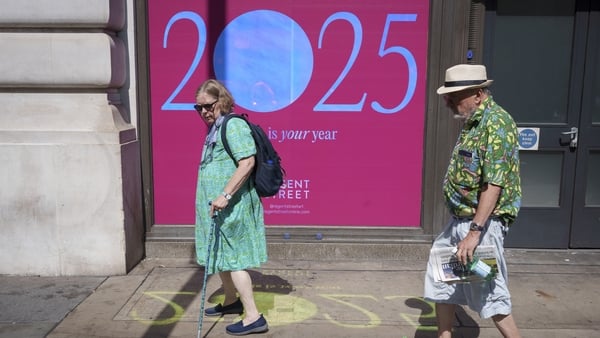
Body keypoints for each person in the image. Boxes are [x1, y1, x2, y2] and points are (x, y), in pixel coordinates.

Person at [423, 64, 522, 338]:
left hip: (480, 226)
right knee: (443, 280)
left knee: (490, 294)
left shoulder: (498, 124)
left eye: (455, 97)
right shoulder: (473, 120)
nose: (448, 101)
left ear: (478, 94)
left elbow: (494, 185)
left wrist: (474, 233)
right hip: (460, 221)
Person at [194, 79, 268, 335]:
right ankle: (230, 301)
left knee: (235, 259)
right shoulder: (216, 127)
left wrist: (225, 195)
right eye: (199, 108)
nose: (204, 112)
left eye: (208, 106)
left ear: (221, 101)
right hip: (219, 208)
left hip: (232, 207)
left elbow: (247, 162)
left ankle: (253, 316)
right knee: (221, 255)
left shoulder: (233, 126)